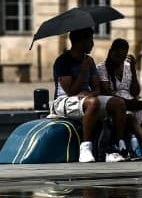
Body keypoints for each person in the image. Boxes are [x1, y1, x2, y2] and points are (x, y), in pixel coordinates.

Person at [52, 27, 129, 163]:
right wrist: (83, 71)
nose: (93, 44)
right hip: (64, 101)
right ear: (81, 41)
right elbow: (70, 92)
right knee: (93, 103)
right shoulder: (63, 61)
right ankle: (85, 148)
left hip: (86, 98)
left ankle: (117, 146)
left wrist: (90, 93)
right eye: (90, 40)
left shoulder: (89, 60)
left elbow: (97, 88)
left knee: (118, 103)